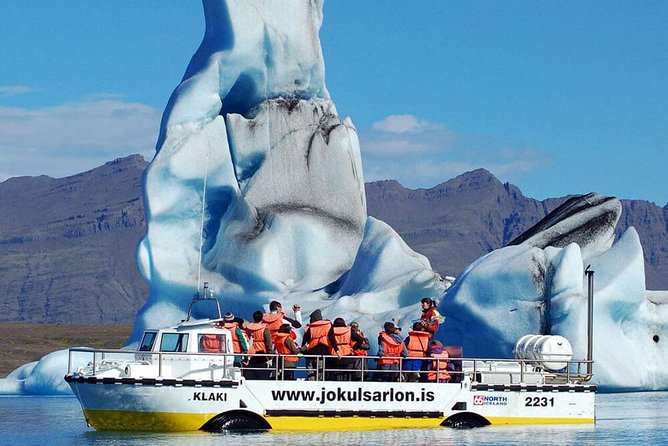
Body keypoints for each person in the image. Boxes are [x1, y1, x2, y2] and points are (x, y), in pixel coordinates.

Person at [301, 309, 340, 380]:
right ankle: (319, 387)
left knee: (310, 373)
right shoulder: (327, 326)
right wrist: (337, 351)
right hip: (322, 354)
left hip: (310, 353)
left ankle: (311, 388)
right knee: (320, 373)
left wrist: (303, 351)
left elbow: (305, 342)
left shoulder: (310, 328)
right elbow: (332, 339)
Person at [243, 310, 274, 379]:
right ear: (262, 318)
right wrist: (270, 355)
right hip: (262, 353)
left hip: (250, 353)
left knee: (251, 372)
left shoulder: (248, 328)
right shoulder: (264, 329)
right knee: (262, 373)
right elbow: (268, 343)